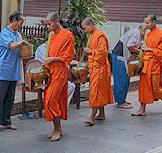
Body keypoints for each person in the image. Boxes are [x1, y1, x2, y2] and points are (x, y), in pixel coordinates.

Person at [0, 11, 29, 134]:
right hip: (3, 69)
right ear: (14, 21)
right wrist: (21, 42)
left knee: (10, 97)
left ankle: (6, 121)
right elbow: (11, 46)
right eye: (21, 22)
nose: (22, 25)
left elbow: (20, 50)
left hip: (13, 69)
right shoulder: (5, 33)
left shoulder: (18, 35)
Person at [41, 12, 75, 141]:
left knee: (51, 100)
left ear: (56, 22)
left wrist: (52, 59)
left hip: (60, 71)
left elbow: (68, 57)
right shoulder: (51, 36)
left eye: (49, 24)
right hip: (51, 71)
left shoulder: (67, 36)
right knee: (50, 100)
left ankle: (57, 129)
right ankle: (57, 128)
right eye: (46, 24)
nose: (48, 26)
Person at [132, 14, 162, 116]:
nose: (146, 25)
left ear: (154, 22)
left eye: (148, 23)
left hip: (154, 64)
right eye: (145, 22)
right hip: (146, 63)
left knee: (155, 86)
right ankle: (142, 109)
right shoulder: (147, 34)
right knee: (143, 86)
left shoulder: (161, 34)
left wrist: (149, 49)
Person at [81, 17, 113, 125]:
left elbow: (103, 53)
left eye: (85, 28)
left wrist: (91, 51)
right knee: (100, 91)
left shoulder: (100, 35)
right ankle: (102, 114)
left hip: (100, 68)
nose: (84, 31)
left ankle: (92, 117)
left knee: (96, 91)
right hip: (95, 67)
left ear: (90, 25)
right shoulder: (93, 35)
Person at [111, 24, 144, 109]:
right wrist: (138, 51)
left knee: (126, 79)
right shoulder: (136, 34)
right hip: (119, 57)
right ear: (144, 30)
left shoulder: (136, 34)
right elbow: (129, 46)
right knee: (121, 80)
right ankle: (120, 101)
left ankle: (122, 99)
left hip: (123, 58)